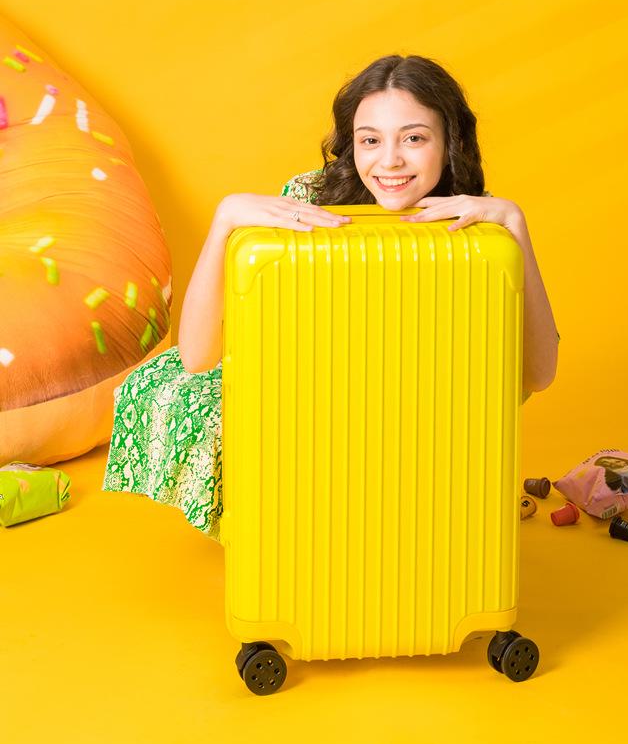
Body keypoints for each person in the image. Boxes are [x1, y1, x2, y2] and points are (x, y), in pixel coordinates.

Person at [102, 54, 559, 541]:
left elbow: (538, 373)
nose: (389, 161)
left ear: (450, 141)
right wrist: (224, 221)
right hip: (305, 398)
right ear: (351, 144)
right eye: (370, 140)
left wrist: (514, 223)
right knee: (174, 383)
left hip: (422, 411)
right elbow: (197, 357)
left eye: (414, 138)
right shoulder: (309, 199)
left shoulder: (476, 224)